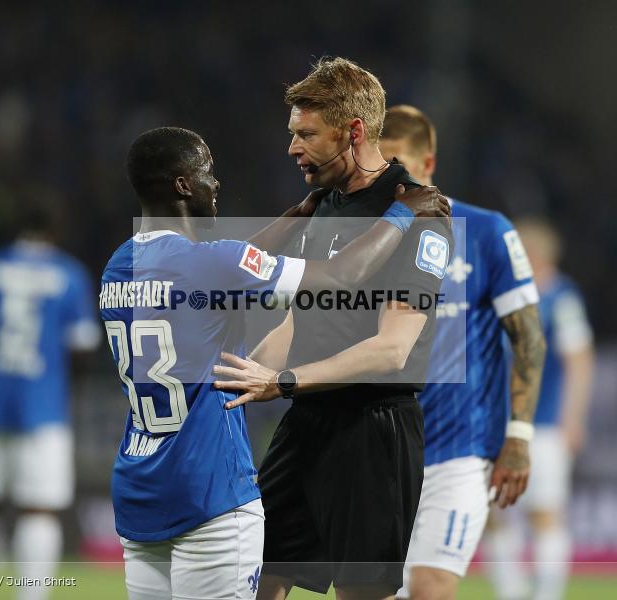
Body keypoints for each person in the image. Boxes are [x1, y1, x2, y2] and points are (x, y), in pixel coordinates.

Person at [102, 126, 449, 600]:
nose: (215, 183)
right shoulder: (211, 264)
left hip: (139, 488)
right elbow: (340, 277)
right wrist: (402, 214)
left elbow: (232, 260)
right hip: (209, 489)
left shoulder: (120, 264)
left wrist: (299, 214)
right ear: (183, 185)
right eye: (206, 172)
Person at [217, 59, 453, 600]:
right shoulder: (322, 204)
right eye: (292, 134)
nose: (292, 147)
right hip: (306, 424)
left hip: (372, 431)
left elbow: (392, 350)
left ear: (352, 132)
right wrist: (242, 375)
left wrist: (285, 382)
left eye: (306, 134)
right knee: (255, 575)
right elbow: (299, 322)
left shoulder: (418, 213)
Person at [378, 105, 546, 600]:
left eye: (399, 165)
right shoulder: (356, 238)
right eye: (378, 167)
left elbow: (529, 336)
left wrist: (518, 435)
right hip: (378, 449)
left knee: (431, 588)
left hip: (458, 449)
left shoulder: (486, 231)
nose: (390, 180)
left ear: (428, 165)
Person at [0, 208, 102, 600]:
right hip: (44, 405)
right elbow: (82, 347)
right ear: (53, 228)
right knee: (40, 509)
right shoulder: (68, 274)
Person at [484, 218, 595, 600]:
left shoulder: (561, 298)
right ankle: (511, 593)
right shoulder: (503, 294)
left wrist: (572, 419)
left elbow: (579, 359)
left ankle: (547, 595)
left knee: (544, 513)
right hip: (496, 424)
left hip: (543, 426)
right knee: (495, 515)